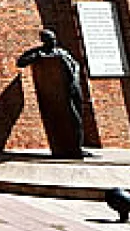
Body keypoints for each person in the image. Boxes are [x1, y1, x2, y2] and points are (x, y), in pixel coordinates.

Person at [17, 29, 88, 159]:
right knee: (69, 119)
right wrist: (38, 57)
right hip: (59, 94)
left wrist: (75, 75)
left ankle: (78, 147)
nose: (53, 42)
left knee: (77, 120)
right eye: (50, 40)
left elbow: (76, 64)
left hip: (73, 88)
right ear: (44, 41)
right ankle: (69, 148)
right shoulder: (39, 52)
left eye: (54, 39)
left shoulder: (62, 52)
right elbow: (21, 62)